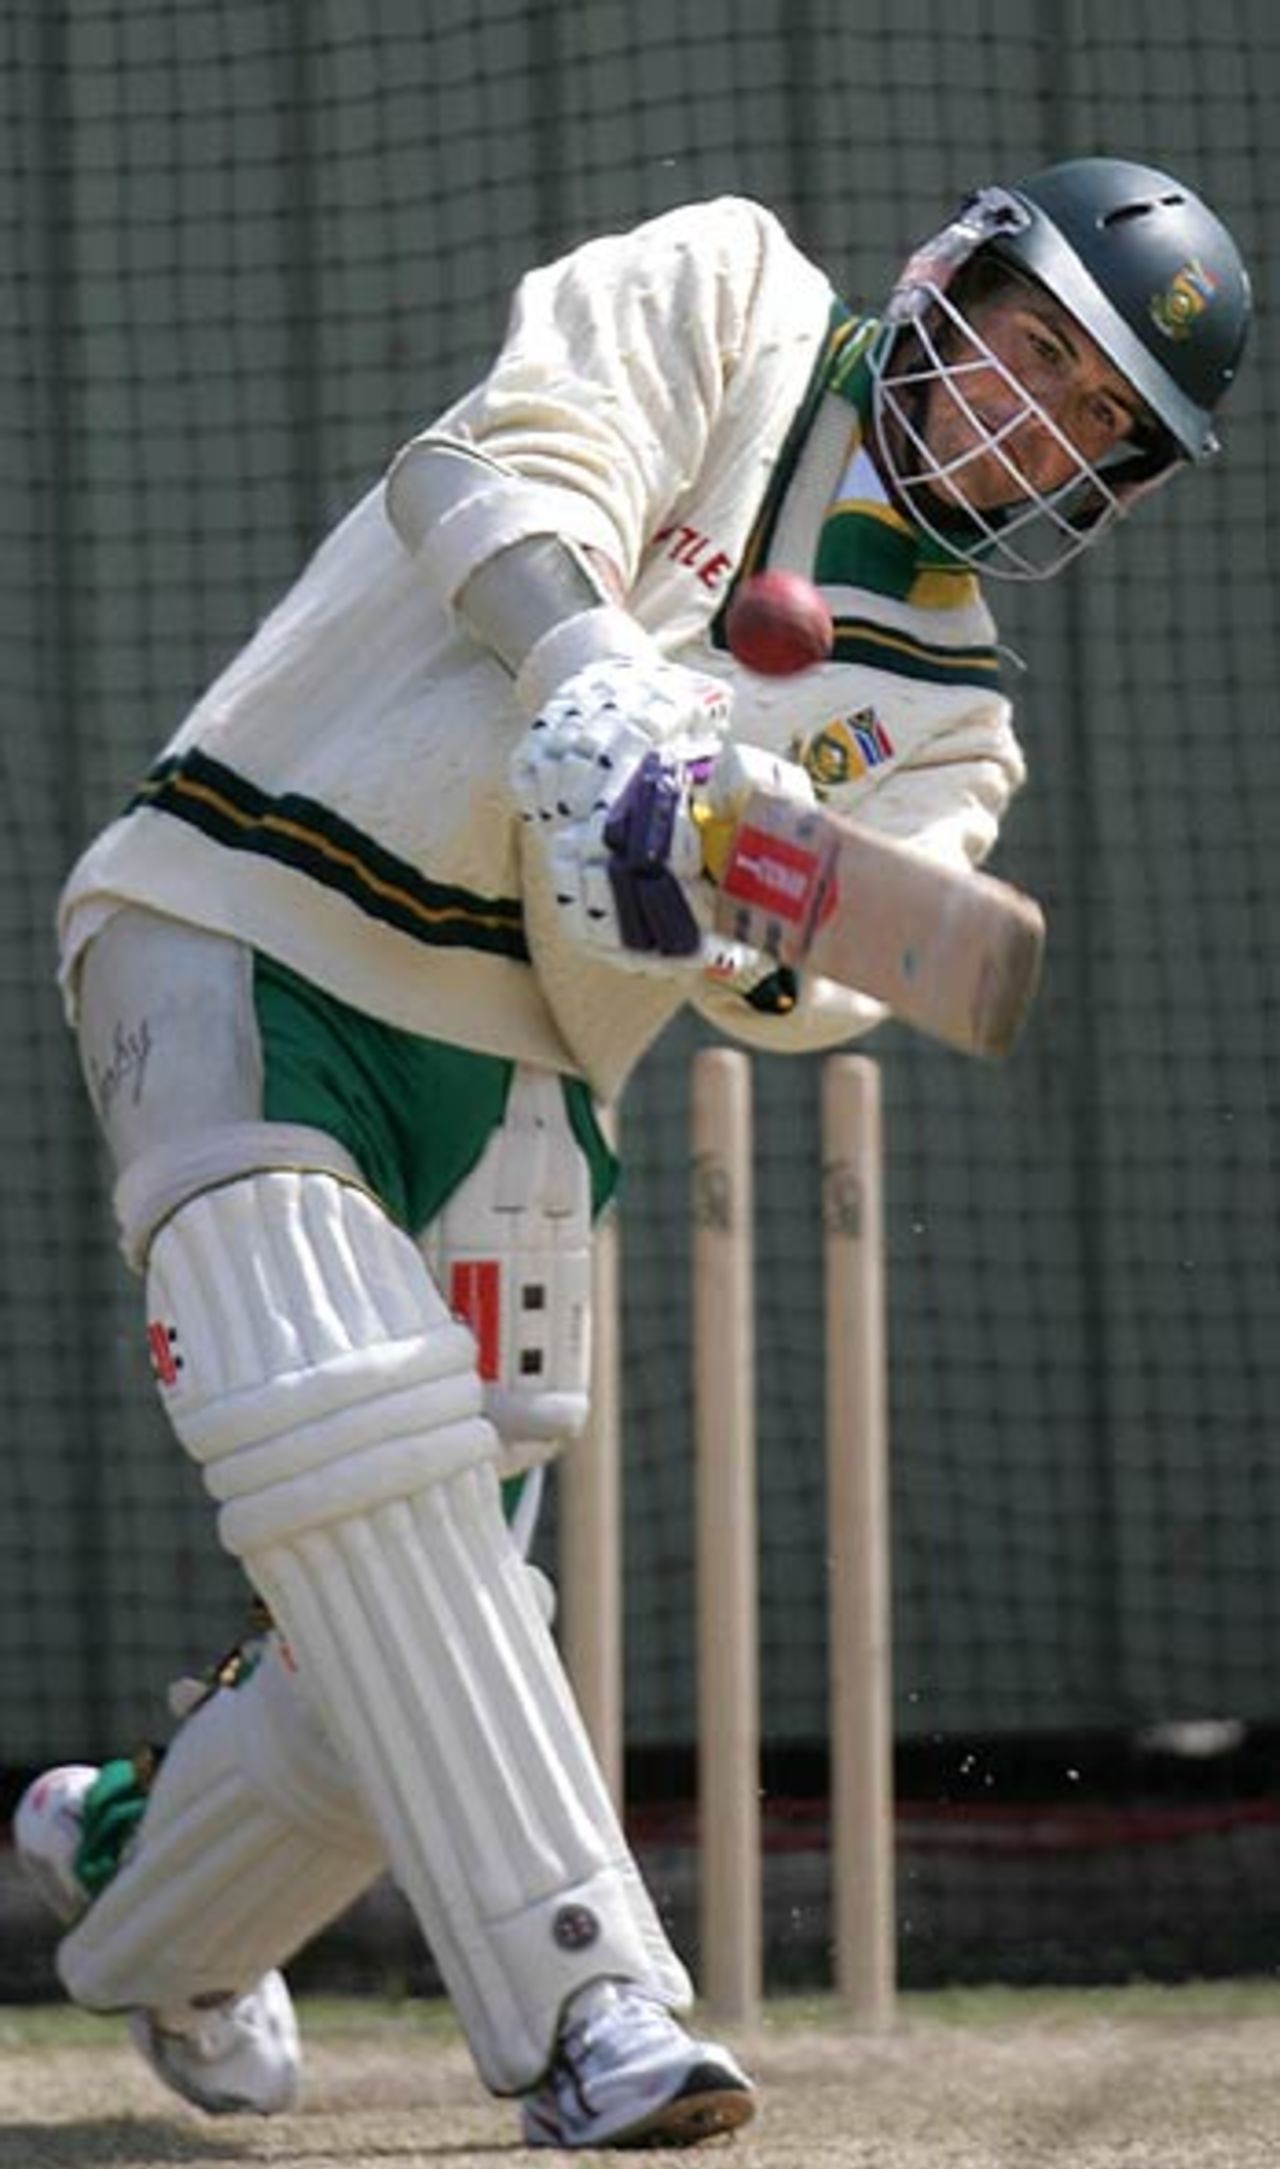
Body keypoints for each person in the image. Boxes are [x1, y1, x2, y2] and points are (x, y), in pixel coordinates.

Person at [15, 156, 1248, 2147]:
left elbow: (833, 977)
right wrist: (590, 670)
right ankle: (593, 2001)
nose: (1035, 427)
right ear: (953, 280)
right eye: (1038, 356)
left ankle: (140, 1882)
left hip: (521, 1068)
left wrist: (719, 890)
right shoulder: (735, 294)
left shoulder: (951, 726)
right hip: (251, 896)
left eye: (1094, 424)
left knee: (390, 1664)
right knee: (338, 1406)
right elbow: (486, 471)